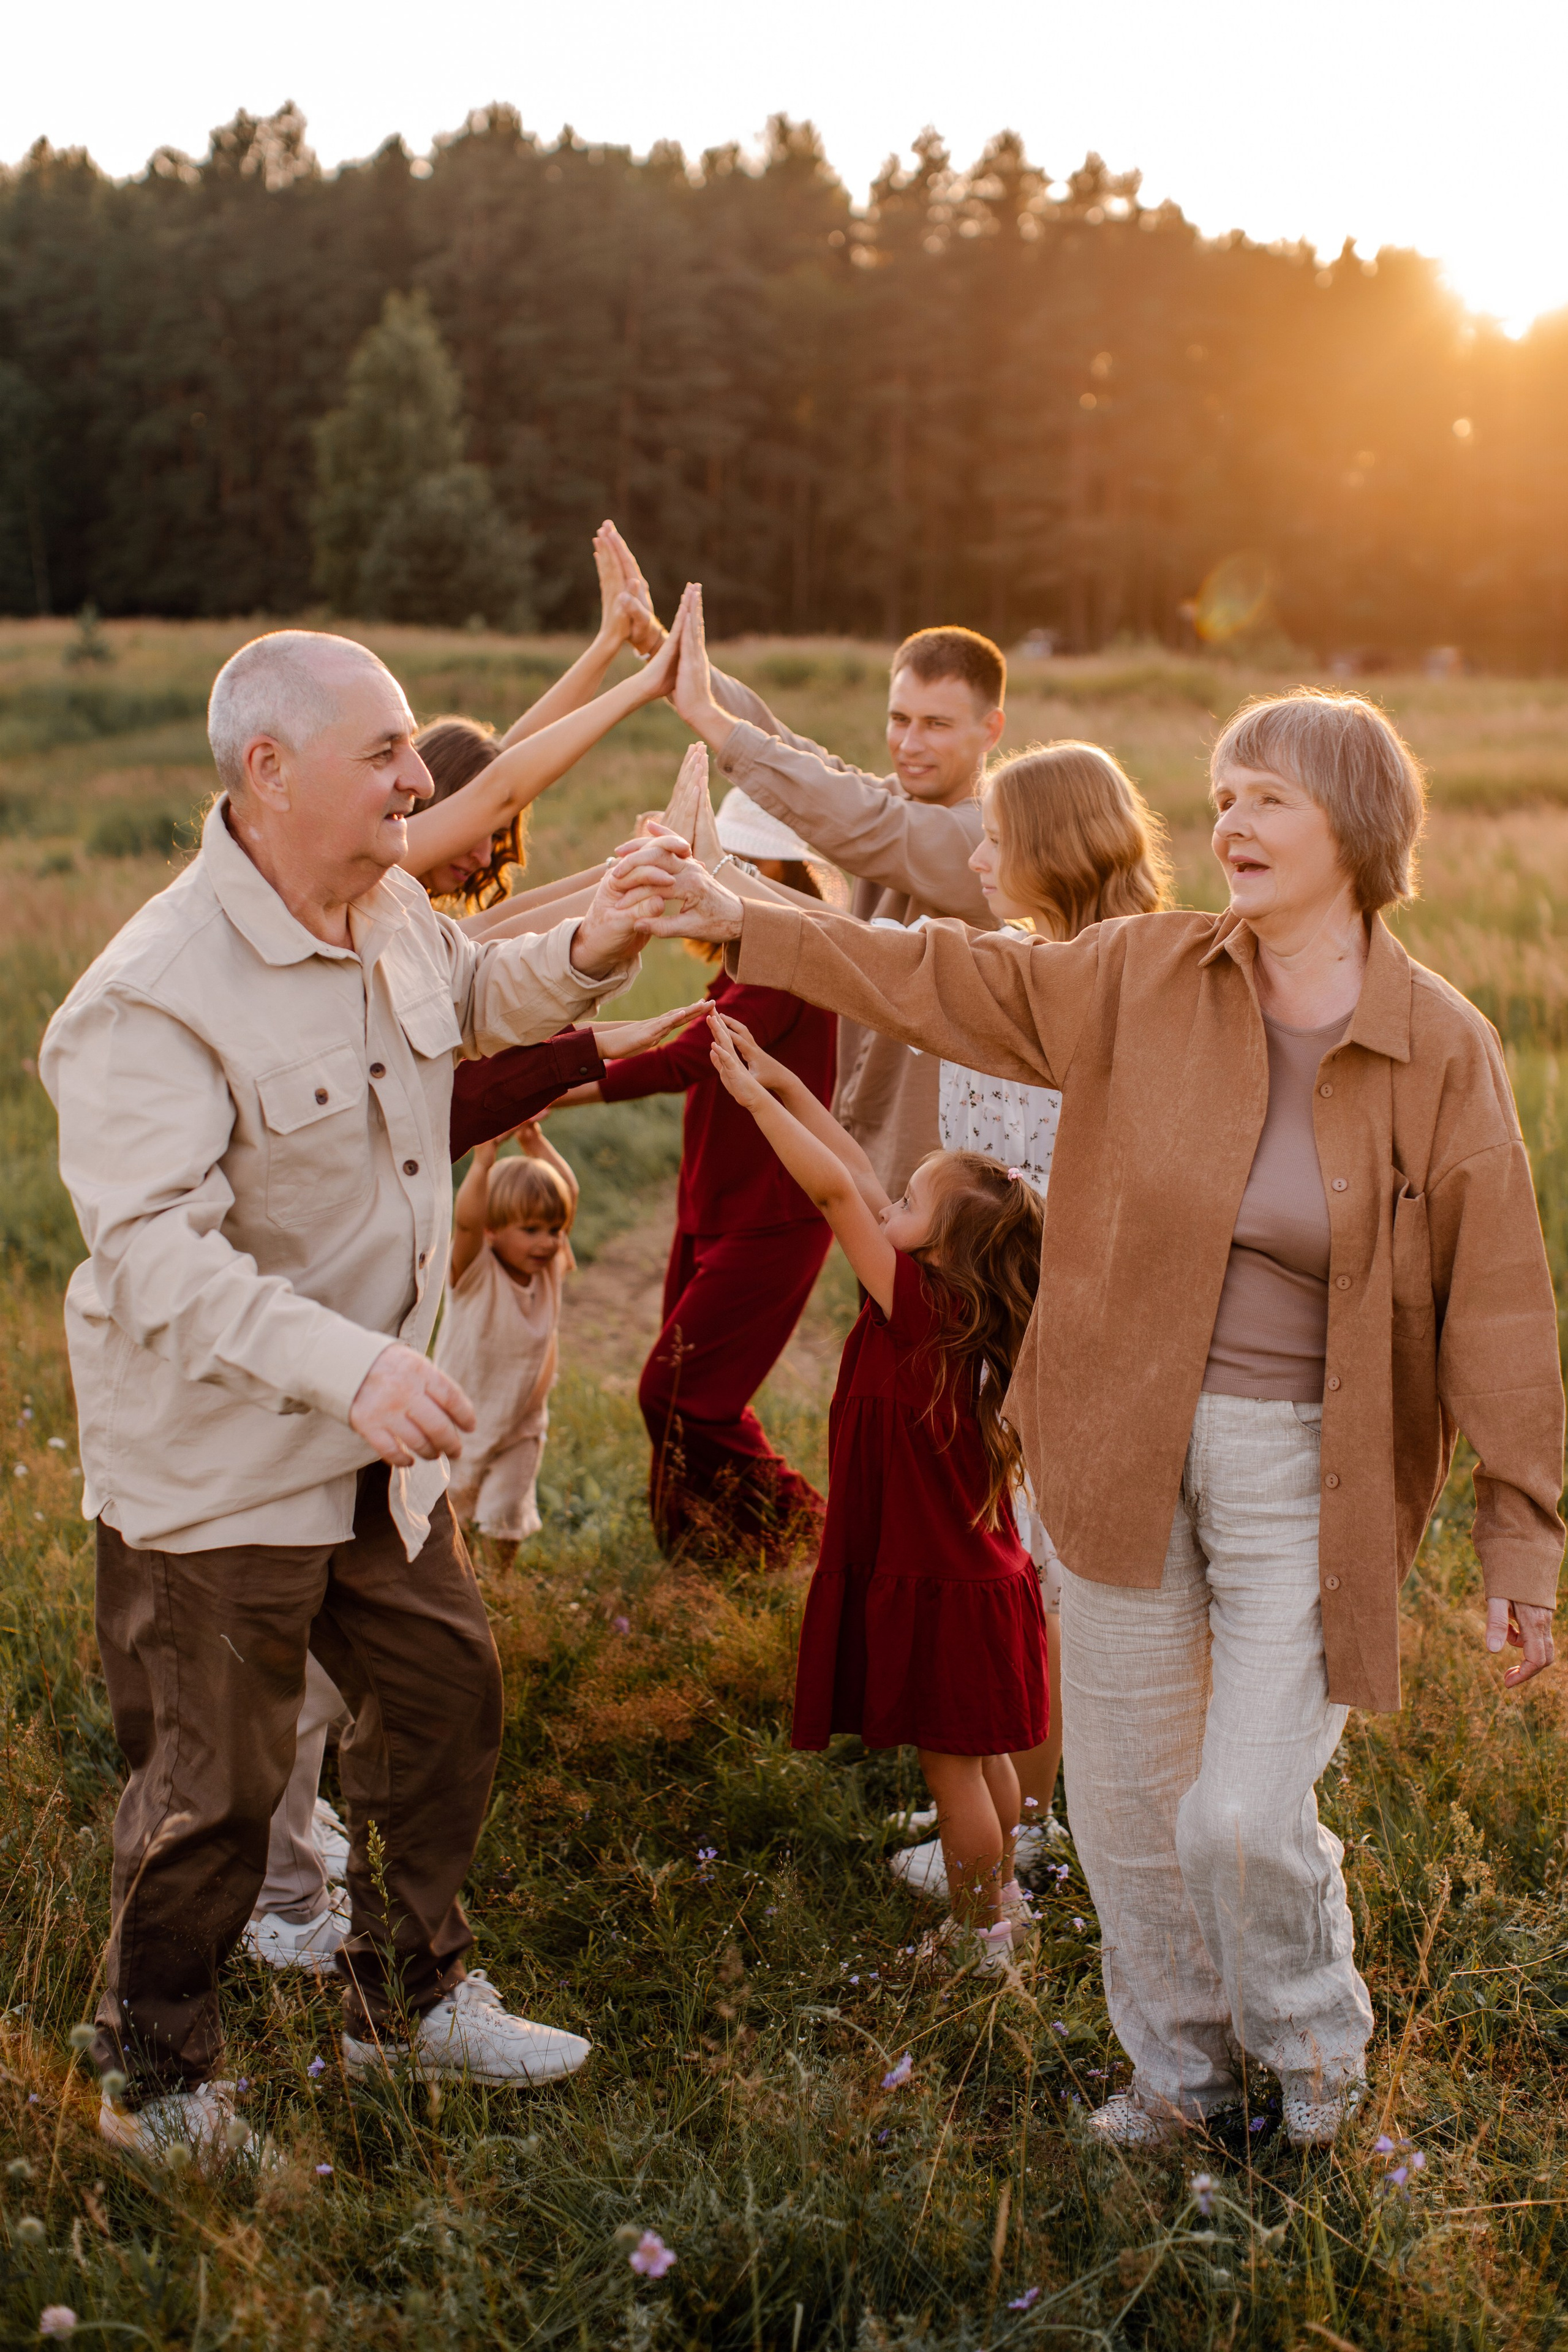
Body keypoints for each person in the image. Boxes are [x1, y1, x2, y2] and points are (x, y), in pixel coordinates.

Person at [606, 685, 1564, 2149]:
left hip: (1302, 1468)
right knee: (1120, 1808)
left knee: (1239, 1811)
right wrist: (736, 913)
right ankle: (1174, 2083)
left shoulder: (1434, 1046)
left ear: (1357, 828)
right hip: (1111, 1437)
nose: (1228, 818)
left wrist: (1520, 1542)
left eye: (1267, 797)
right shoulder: (1139, 974)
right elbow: (928, 972)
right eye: (1222, 790)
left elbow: (1495, 1302)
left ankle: (1311, 2086)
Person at [41, 627, 662, 2163]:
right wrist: (360, 1364)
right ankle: (158, 2082)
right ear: (268, 769)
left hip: (384, 1452)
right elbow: (158, 1265)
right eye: (383, 749)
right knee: (214, 1791)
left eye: (408, 748)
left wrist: (599, 939)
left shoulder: (382, 905)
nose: (416, 775)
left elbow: (477, 988)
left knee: (446, 1697)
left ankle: (406, 1999)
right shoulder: (151, 999)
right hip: (225, 1464)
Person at [704, 1012, 1050, 1973]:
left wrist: (748, 1102)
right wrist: (777, 1073)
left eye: (907, 1203)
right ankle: (1009, 1902)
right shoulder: (961, 1317)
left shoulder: (917, 1313)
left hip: (943, 1584)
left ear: (938, 1249)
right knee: (983, 1765)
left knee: (954, 1777)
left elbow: (828, 1188)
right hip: (984, 1579)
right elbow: (855, 1170)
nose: (884, 1203)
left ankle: (981, 1936)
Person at [891, 741, 1172, 1902]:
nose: (980, 852)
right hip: (982, 1309)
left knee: (1052, 1577)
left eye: (1001, 835)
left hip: (1083, 1315)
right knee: (1006, 1562)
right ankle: (1009, 1788)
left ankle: (1049, 1826)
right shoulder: (996, 965)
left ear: (1057, 848)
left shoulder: (1152, 985)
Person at [601, 539, 1000, 1197]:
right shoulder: (892, 799)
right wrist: (666, 655)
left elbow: (866, 824)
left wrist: (710, 719)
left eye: (936, 724)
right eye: (899, 719)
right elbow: (796, 752)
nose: (909, 743)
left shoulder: (982, 836)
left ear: (991, 730)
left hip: (945, 1162)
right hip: (869, 1136)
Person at [554, 782, 838, 1556]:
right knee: (682, 1394)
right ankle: (704, 1555)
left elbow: (691, 1058)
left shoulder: (788, 963)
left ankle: (816, 1536)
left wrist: (554, 1090)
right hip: (711, 1204)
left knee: (682, 1396)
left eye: (746, 862)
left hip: (773, 1215)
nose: (725, 876)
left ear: (783, 871)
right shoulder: (750, 960)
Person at [436, 1122, 578, 1544]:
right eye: (531, 1230)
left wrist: (534, 1142)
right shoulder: (476, 1271)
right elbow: (465, 1224)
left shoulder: (549, 1270)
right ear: (492, 1229)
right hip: (461, 1418)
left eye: (553, 1231)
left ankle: (504, 1585)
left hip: (522, 1421)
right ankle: (465, 1586)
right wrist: (482, 1164)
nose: (549, 1242)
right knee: (452, 1520)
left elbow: (569, 1195)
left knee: (506, 1518)